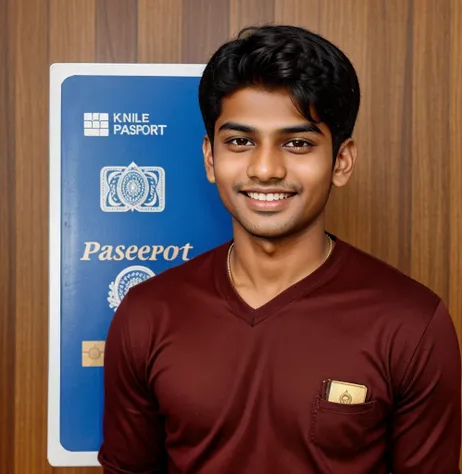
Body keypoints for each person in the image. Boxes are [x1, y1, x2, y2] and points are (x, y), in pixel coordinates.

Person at [98, 25, 461, 474]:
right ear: (211, 158)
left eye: (297, 143)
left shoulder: (412, 323)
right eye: (240, 142)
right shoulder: (147, 313)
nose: (266, 168)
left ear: (341, 161)